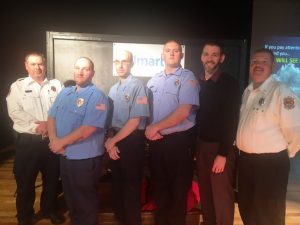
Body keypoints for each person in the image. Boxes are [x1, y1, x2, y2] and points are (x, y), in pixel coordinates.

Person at [236, 48, 300, 225]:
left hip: (271, 163)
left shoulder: (281, 91)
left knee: (269, 213)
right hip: (247, 161)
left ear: (273, 65)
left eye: (264, 62)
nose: (258, 65)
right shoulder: (248, 91)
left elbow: (295, 128)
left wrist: (284, 154)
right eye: (255, 61)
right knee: (247, 208)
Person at [47, 57, 109, 225]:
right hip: (65, 156)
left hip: (84, 159)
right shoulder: (65, 92)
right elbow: (51, 117)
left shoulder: (97, 96)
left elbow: (88, 129)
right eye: (77, 67)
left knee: (85, 204)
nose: (80, 71)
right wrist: (54, 141)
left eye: (86, 68)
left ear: (92, 73)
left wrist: (60, 143)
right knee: (71, 201)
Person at [145, 40, 200, 225]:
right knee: (159, 192)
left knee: (178, 194)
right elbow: (147, 113)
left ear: (181, 55)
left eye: (176, 51)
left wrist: (154, 127)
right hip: (156, 143)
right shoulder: (153, 80)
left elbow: (184, 111)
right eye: (168, 50)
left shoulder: (187, 77)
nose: (172, 53)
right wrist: (148, 129)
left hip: (178, 143)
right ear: (162, 55)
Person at [6, 52, 64, 225]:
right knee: (25, 182)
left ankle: (49, 210)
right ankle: (25, 216)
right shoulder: (18, 86)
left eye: (40, 64)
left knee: (52, 180)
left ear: (44, 65)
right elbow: (15, 112)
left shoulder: (56, 85)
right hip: (28, 142)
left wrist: (49, 126)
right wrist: (37, 126)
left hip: (51, 141)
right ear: (26, 65)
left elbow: (62, 108)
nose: (37, 67)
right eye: (33, 64)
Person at [195, 41, 240, 225]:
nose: (210, 58)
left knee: (221, 198)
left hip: (220, 148)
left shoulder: (229, 83)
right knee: (205, 195)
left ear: (221, 58)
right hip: (201, 147)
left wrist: (222, 154)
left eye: (215, 55)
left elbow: (232, 121)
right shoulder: (196, 82)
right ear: (201, 57)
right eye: (207, 54)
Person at [105, 49, 150, 225]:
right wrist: (110, 141)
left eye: (124, 61)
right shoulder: (113, 89)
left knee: (131, 187)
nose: (120, 65)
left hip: (132, 141)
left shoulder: (139, 86)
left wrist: (112, 142)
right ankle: (121, 219)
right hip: (114, 140)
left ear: (132, 64)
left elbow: (135, 121)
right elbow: (109, 120)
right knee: (117, 184)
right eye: (117, 61)